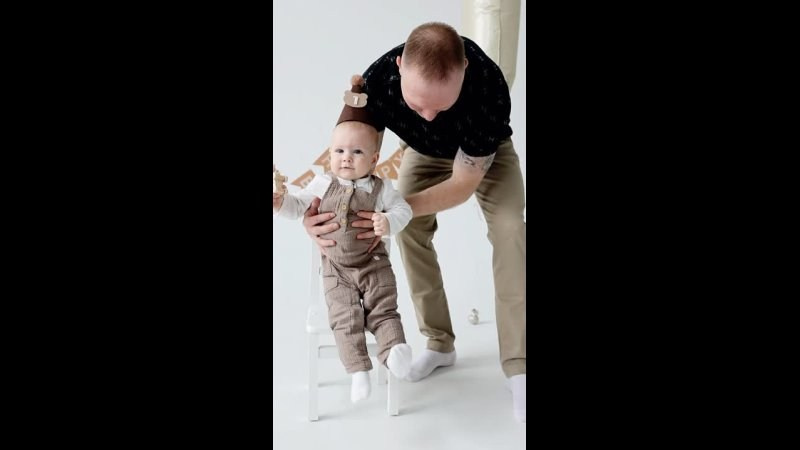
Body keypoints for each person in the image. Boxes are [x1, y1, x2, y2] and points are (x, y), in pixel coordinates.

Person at [302, 22, 526, 422]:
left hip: (482, 156)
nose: (428, 114)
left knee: (510, 231)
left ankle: (519, 365)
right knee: (409, 233)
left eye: (441, 105)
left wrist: (392, 211)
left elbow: (461, 186)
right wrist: (314, 214)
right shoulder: (377, 81)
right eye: (419, 104)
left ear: (464, 74)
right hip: (424, 153)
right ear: (400, 66)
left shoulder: (489, 89)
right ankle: (440, 344)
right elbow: (344, 161)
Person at [274, 75, 413, 404]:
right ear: (329, 153)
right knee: (344, 316)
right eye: (338, 150)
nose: (345, 157)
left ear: (374, 160)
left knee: (384, 310)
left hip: (374, 264)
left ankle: (395, 351)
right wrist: (281, 204)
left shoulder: (382, 188)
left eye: (356, 151)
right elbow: (299, 207)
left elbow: (403, 210)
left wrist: (387, 221)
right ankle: (358, 371)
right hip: (336, 269)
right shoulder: (322, 185)